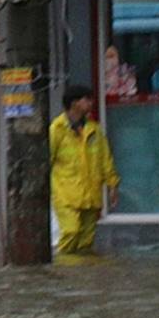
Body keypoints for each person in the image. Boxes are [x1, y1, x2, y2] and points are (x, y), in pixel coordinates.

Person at [49, 84, 119, 257]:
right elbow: (47, 161)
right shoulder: (56, 130)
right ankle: (63, 270)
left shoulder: (94, 130)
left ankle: (80, 275)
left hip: (91, 195)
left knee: (86, 243)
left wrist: (112, 185)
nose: (91, 103)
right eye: (86, 99)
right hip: (66, 195)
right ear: (74, 103)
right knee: (71, 232)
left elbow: (105, 159)